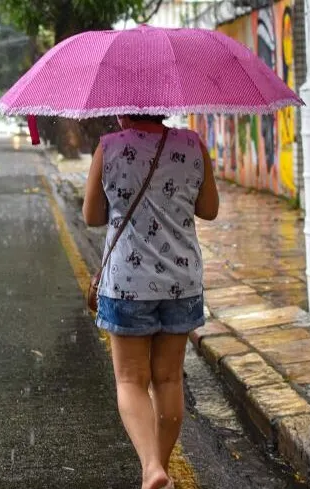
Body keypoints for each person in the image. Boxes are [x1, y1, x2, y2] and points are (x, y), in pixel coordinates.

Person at [82, 114, 219, 489]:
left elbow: (92, 216)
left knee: (130, 380)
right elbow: (209, 209)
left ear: (122, 108)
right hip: (181, 281)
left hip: (127, 283)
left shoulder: (108, 148)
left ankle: (151, 468)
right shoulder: (193, 145)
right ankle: (160, 466)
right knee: (169, 378)